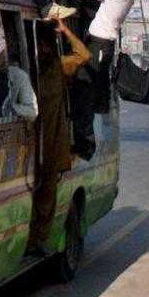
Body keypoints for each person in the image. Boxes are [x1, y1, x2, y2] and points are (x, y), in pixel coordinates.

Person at [53, 0, 149, 149]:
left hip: (100, 42)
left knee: (84, 88)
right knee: (89, 89)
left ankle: (85, 143)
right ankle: (84, 137)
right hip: (103, 42)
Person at [29, 18, 91, 254]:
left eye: (46, 47)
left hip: (52, 143)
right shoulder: (27, 69)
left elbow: (84, 55)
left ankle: (39, 240)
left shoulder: (60, 66)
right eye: (40, 47)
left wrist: (65, 31)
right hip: (30, 145)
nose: (43, 51)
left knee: (47, 198)